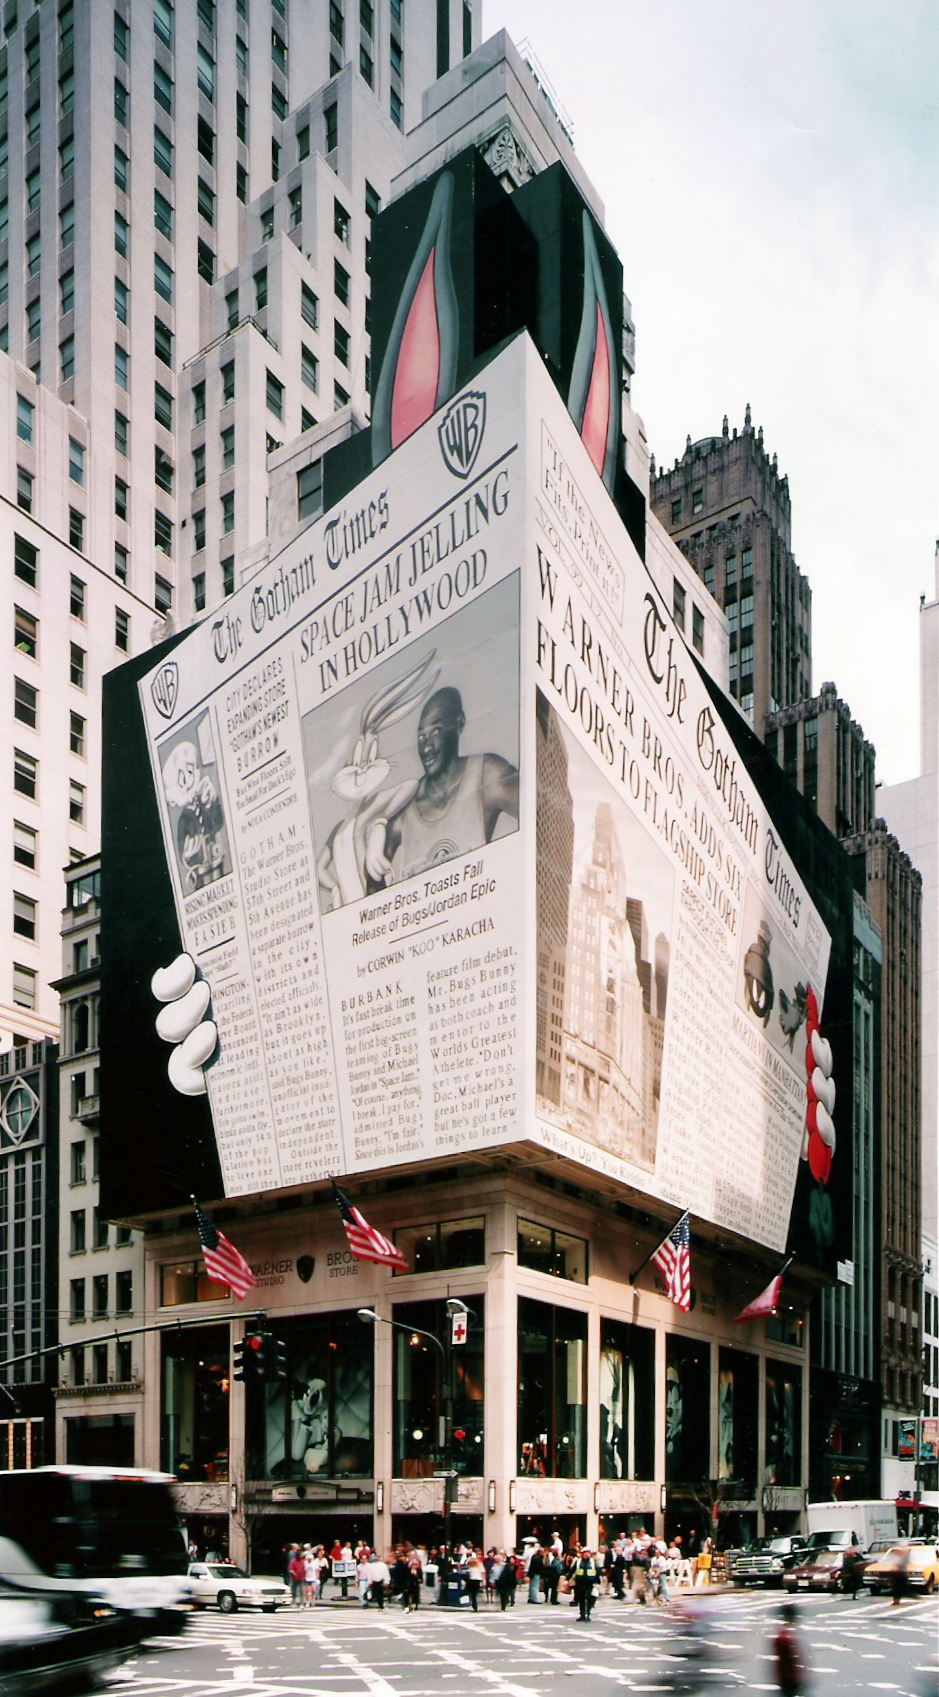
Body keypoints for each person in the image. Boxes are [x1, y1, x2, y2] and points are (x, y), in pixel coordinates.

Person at [365, 687, 519, 886]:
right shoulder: (405, 805)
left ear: (459, 723)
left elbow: (539, 814)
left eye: (436, 731)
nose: (427, 747)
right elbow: (373, 878)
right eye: (422, 738)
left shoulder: (487, 775)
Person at [773, 1601, 807, 1695]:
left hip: (788, 1679)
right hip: (789, 1680)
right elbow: (788, 1660)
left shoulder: (785, 1634)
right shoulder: (785, 1636)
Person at [573, 1547, 599, 1621]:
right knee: (581, 1599)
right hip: (580, 1583)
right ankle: (582, 1614)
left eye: (588, 1553)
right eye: (584, 1553)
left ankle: (588, 1613)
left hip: (590, 1583)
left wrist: (598, 1582)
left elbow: (598, 1572)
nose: (586, 1554)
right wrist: (566, 1578)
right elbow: (573, 1570)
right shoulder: (578, 1562)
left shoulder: (593, 1562)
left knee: (589, 1598)